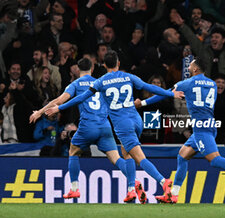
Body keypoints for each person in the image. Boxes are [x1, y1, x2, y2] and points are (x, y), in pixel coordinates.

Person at [45, 51, 185, 201]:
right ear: (118, 63)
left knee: (140, 158)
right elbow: (149, 87)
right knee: (126, 154)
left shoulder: (100, 82)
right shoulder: (128, 76)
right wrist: (170, 94)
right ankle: (131, 189)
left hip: (123, 125)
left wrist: (58, 108)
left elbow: (80, 98)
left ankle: (164, 182)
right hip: (136, 120)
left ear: (104, 65)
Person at [137, 58, 225, 204]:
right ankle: (173, 195)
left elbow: (163, 93)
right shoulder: (212, 84)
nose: (189, 66)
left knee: (214, 160)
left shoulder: (187, 83)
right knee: (182, 156)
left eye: (191, 64)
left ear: (195, 69)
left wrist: (142, 103)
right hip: (209, 125)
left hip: (201, 128)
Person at [30, 58, 147, 204]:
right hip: (105, 127)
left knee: (73, 151)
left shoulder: (76, 84)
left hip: (87, 127)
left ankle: (74, 188)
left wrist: (39, 112)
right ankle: (133, 181)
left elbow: (60, 101)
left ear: (78, 70)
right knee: (116, 158)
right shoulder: (102, 81)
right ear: (92, 69)